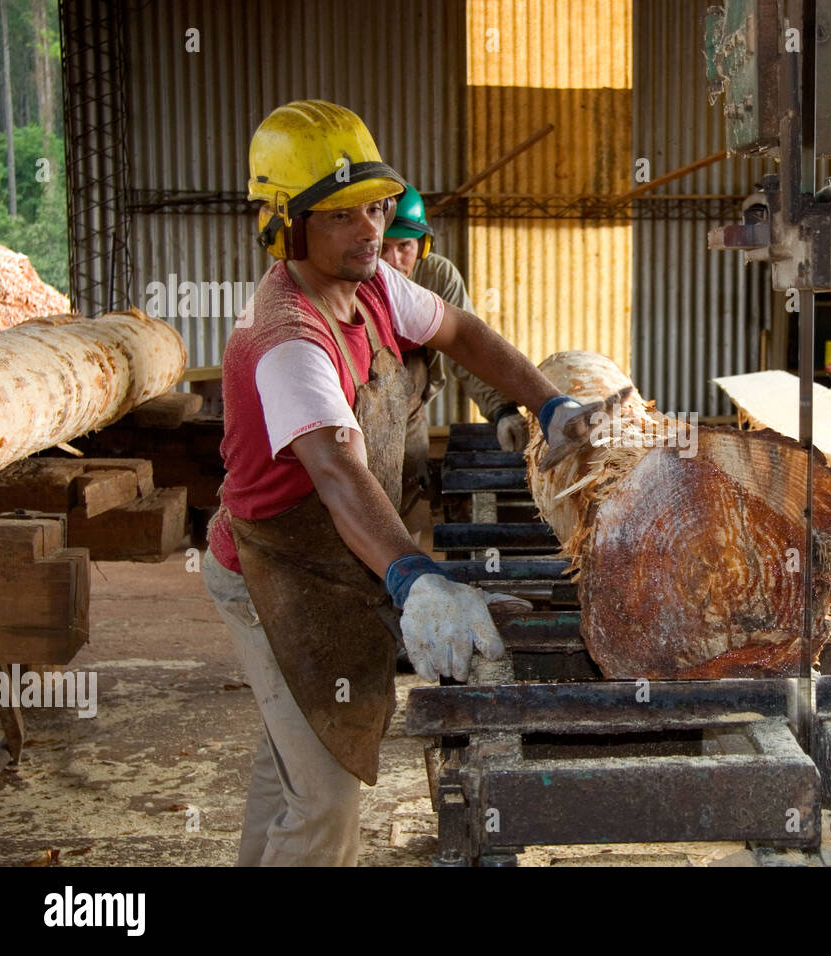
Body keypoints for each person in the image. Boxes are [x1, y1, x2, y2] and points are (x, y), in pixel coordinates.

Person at [201, 99, 601, 866]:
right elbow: (337, 470)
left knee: (289, 758)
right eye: (345, 215)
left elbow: (462, 332)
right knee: (325, 803)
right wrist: (415, 575)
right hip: (271, 572)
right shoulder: (286, 339)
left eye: (377, 208)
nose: (371, 231)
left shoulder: (377, 286)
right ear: (286, 224)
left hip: (337, 558)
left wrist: (546, 402)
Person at [377, 186, 526, 517]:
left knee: (407, 509)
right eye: (382, 248)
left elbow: (466, 348)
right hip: (355, 415)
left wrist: (502, 410)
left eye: (404, 247)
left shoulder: (438, 276)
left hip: (408, 413)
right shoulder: (352, 281)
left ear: (423, 246)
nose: (392, 261)